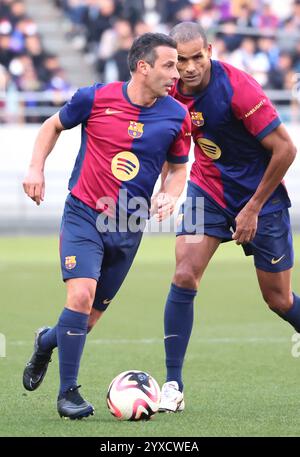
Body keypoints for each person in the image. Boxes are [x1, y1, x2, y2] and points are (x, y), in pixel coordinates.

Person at [22, 32, 191, 419]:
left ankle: (46, 341)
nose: (176, 74)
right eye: (169, 65)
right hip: (84, 214)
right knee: (80, 298)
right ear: (142, 66)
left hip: (129, 226)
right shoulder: (95, 98)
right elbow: (52, 126)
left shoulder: (176, 115)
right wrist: (36, 168)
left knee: (88, 319)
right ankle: (68, 396)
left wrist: (169, 192)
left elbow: (179, 169)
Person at [156, 21, 298, 412]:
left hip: (261, 199)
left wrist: (251, 208)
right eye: (180, 60)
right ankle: (173, 385)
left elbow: (285, 150)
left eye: (196, 58)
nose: (188, 68)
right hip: (209, 192)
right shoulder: (167, 89)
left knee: (279, 299)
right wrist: (167, 186)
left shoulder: (238, 88)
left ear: (211, 51)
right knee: (185, 273)